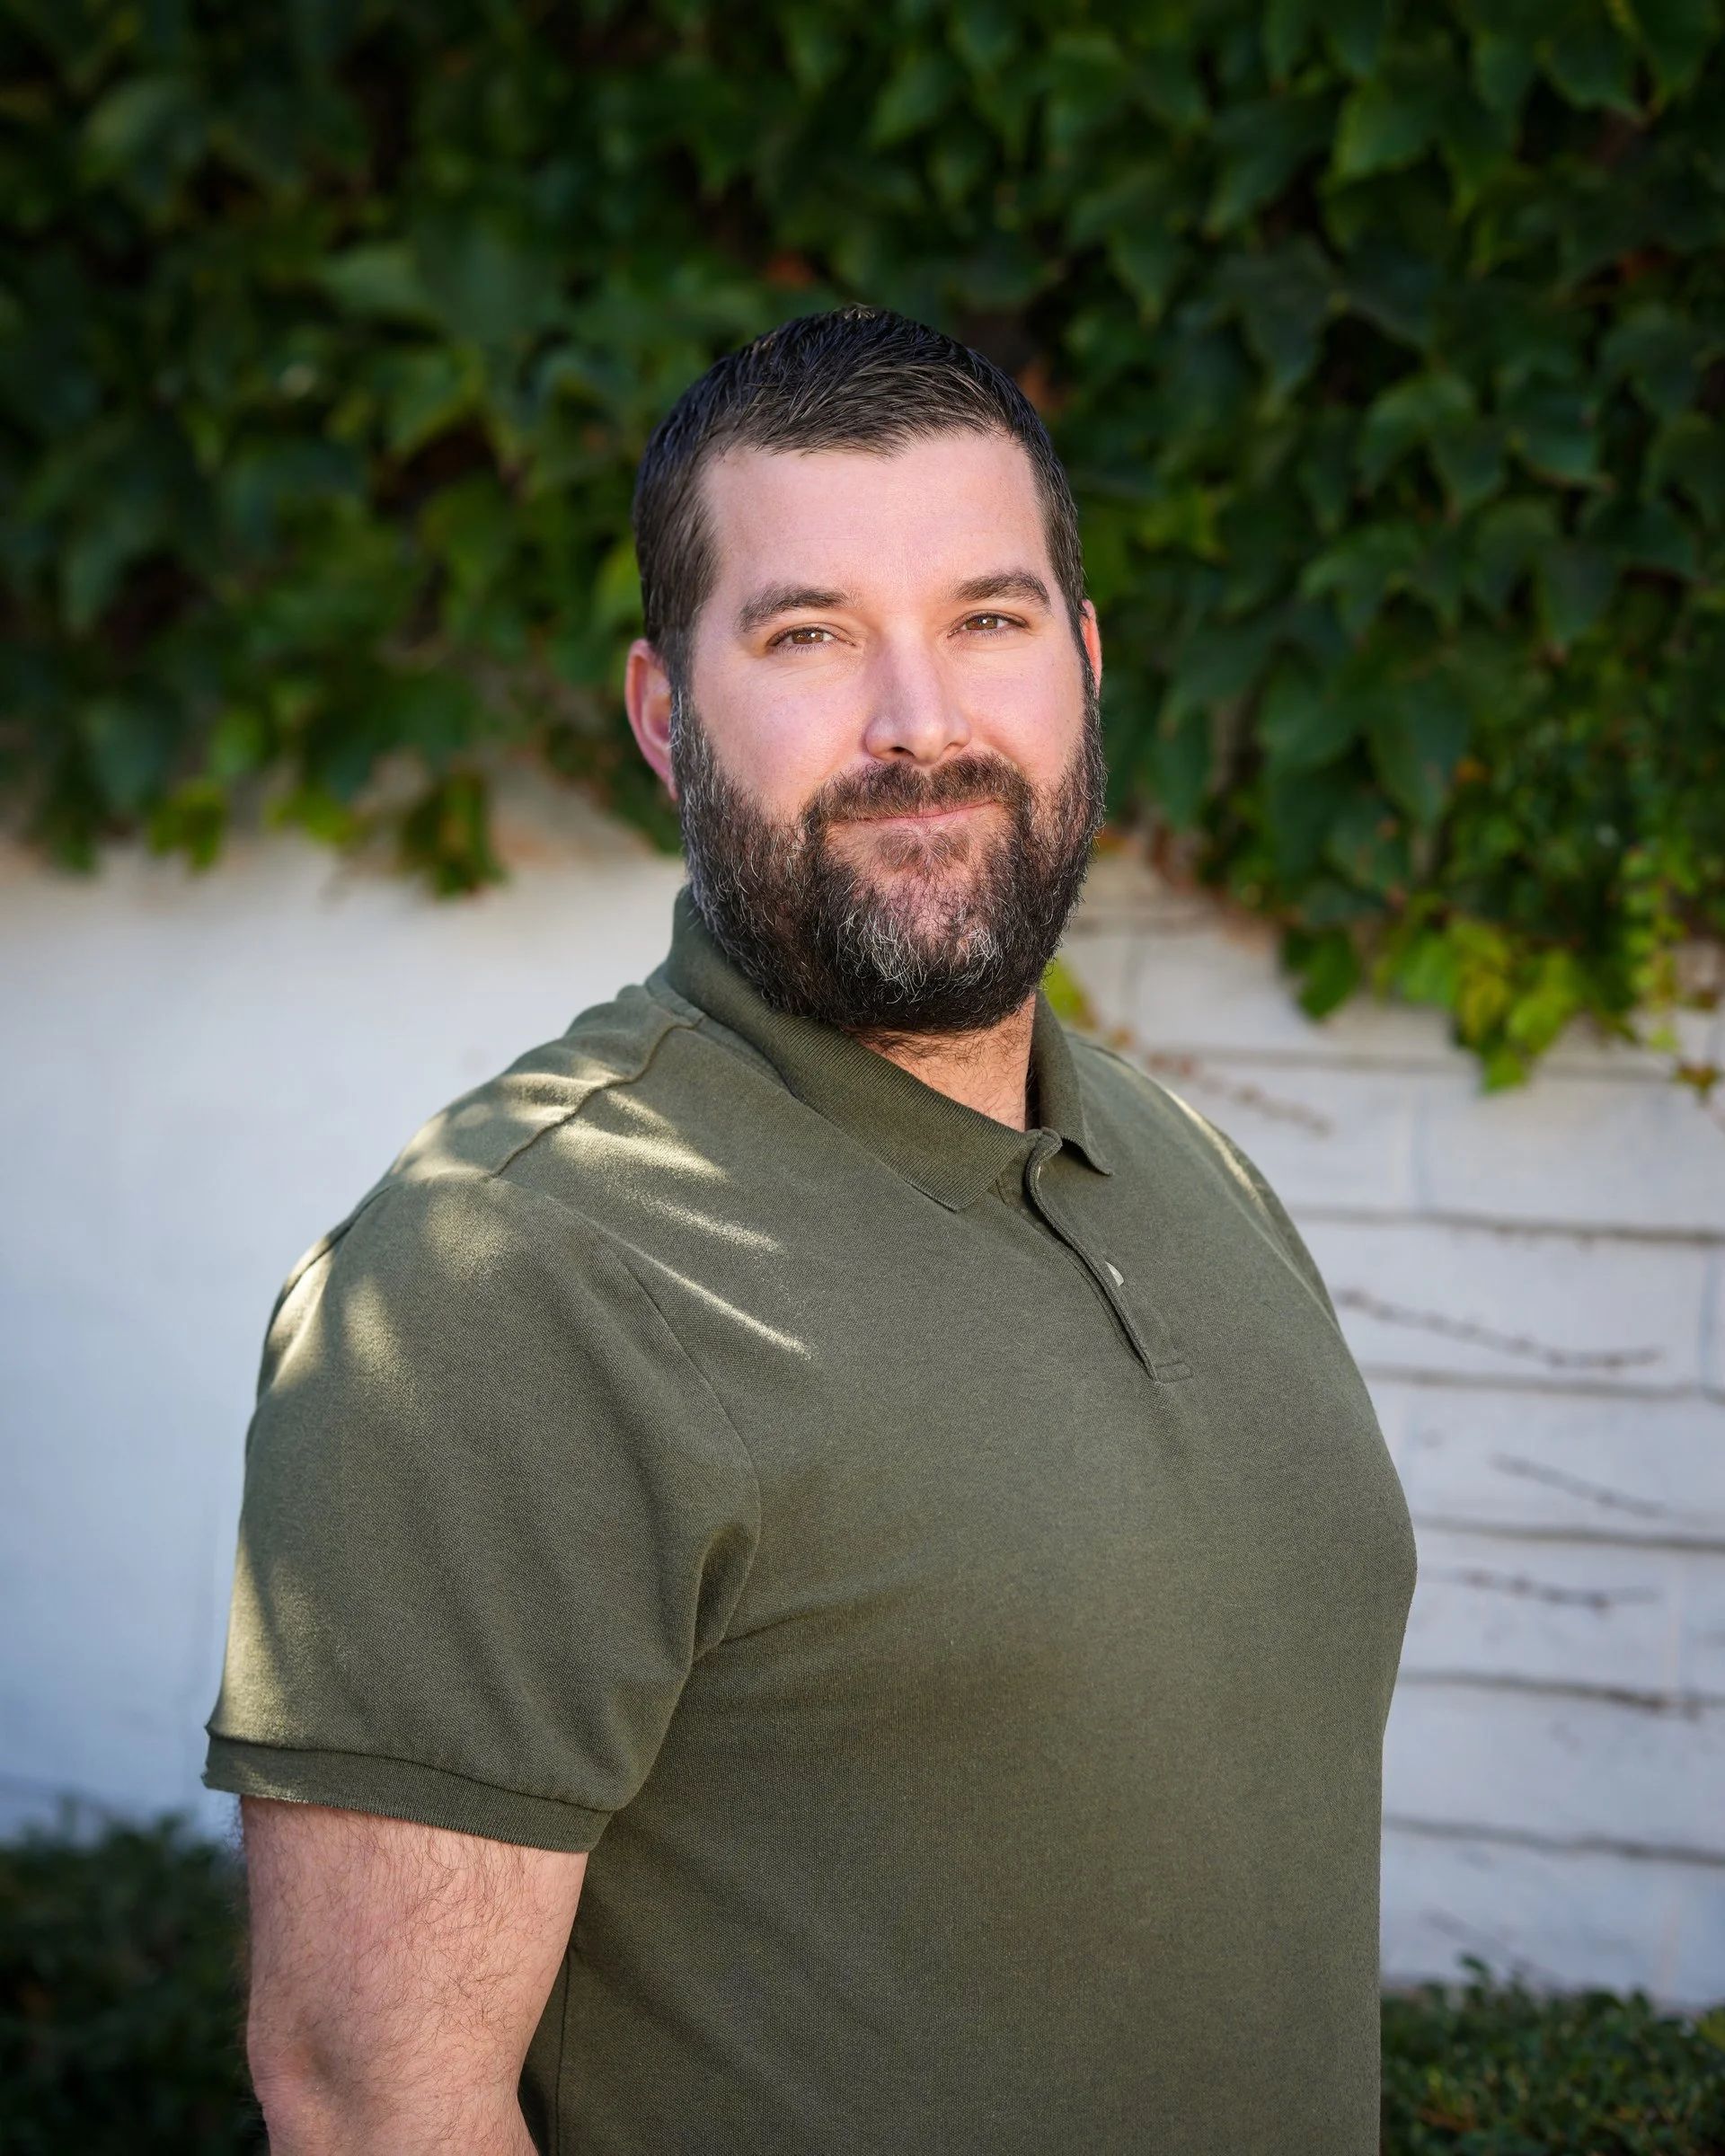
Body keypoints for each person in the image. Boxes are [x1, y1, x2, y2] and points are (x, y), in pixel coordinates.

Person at [206, 305, 1417, 2155]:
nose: (919, 723)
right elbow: (375, 2106)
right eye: (807, 635)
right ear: (661, 717)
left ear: (1084, 665)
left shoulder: (1192, 1171)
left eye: (988, 620)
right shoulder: (512, 1283)